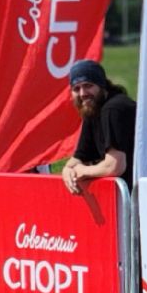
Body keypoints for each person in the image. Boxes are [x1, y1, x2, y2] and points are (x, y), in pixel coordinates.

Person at [60, 60, 135, 194]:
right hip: (121, 199)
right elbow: (79, 157)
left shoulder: (113, 109)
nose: (83, 93)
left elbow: (114, 166)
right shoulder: (92, 109)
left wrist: (81, 171)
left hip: (139, 197)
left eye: (88, 85)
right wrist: (67, 171)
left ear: (102, 86)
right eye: (76, 89)